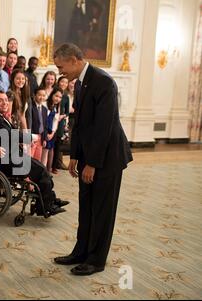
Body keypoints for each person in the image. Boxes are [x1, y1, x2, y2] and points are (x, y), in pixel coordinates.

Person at [53, 43, 133, 275]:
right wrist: (75, 156)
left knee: (102, 210)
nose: (60, 72)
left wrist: (92, 164)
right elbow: (79, 124)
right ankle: (81, 252)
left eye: (61, 66)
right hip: (89, 155)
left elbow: (103, 128)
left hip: (107, 158)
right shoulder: (79, 83)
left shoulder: (104, 82)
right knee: (86, 207)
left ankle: (96, 260)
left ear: (75, 60)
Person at [0, 92, 68, 217]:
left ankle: (49, 200)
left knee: (41, 168)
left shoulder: (0, 116)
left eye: (5, 100)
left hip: (12, 155)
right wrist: (32, 136)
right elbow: (11, 135)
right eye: (0, 101)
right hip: (5, 160)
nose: (4, 103)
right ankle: (46, 205)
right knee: (41, 171)